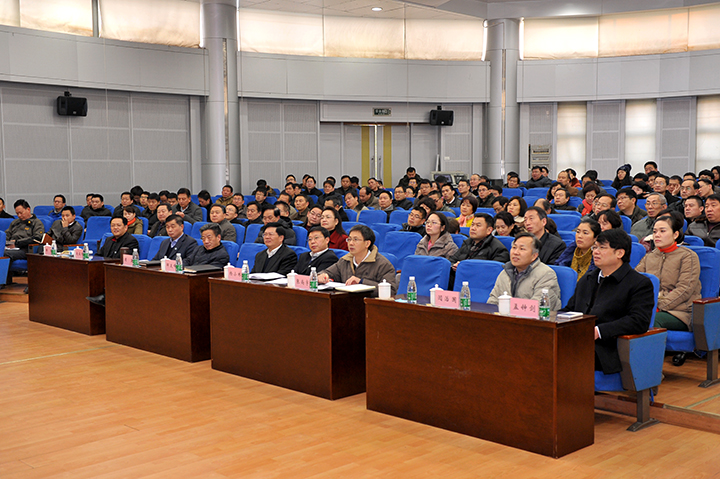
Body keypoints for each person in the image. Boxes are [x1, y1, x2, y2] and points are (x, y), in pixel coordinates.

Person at [561, 229, 654, 374]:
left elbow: (639, 321)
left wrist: (599, 331)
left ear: (619, 253)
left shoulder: (639, 283)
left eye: (602, 248)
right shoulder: (588, 279)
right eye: (595, 247)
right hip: (577, 340)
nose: (595, 252)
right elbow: (570, 310)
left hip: (606, 348)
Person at [635, 213, 701, 332]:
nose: (657, 235)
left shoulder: (688, 256)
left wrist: (658, 305)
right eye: (654, 232)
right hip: (651, 307)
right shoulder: (649, 257)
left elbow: (685, 289)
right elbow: (635, 281)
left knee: (650, 320)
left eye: (662, 231)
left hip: (680, 312)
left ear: (675, 234)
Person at [487, 233, 562, 310]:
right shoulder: (506, 272)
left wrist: (506, 308)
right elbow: (493, 301)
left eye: (522, 249)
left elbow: (537, 307)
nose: (515, 252)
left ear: (534, 256)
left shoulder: (546, 274)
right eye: (514, 247)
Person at [318, 224, 397, 296]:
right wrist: (322, 276)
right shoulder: (345, 260)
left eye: (355, 239)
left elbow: (391, 291)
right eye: (349, 239)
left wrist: (361, 281)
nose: (351, 243)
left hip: (369, 304)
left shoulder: (383, 264)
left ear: (367, 243)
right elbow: (328, 272)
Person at [4, 200, 44, 271]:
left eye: (21, 213)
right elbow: (6, 234)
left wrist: (17, 243)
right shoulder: (15, 222)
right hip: (10, 247)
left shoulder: (37, 223)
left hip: (25, 249)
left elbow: (37, 238)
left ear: (28, 209)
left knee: (4, 254)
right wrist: (5, 243)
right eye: (17, 213)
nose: (19, 215)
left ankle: (4, 277)